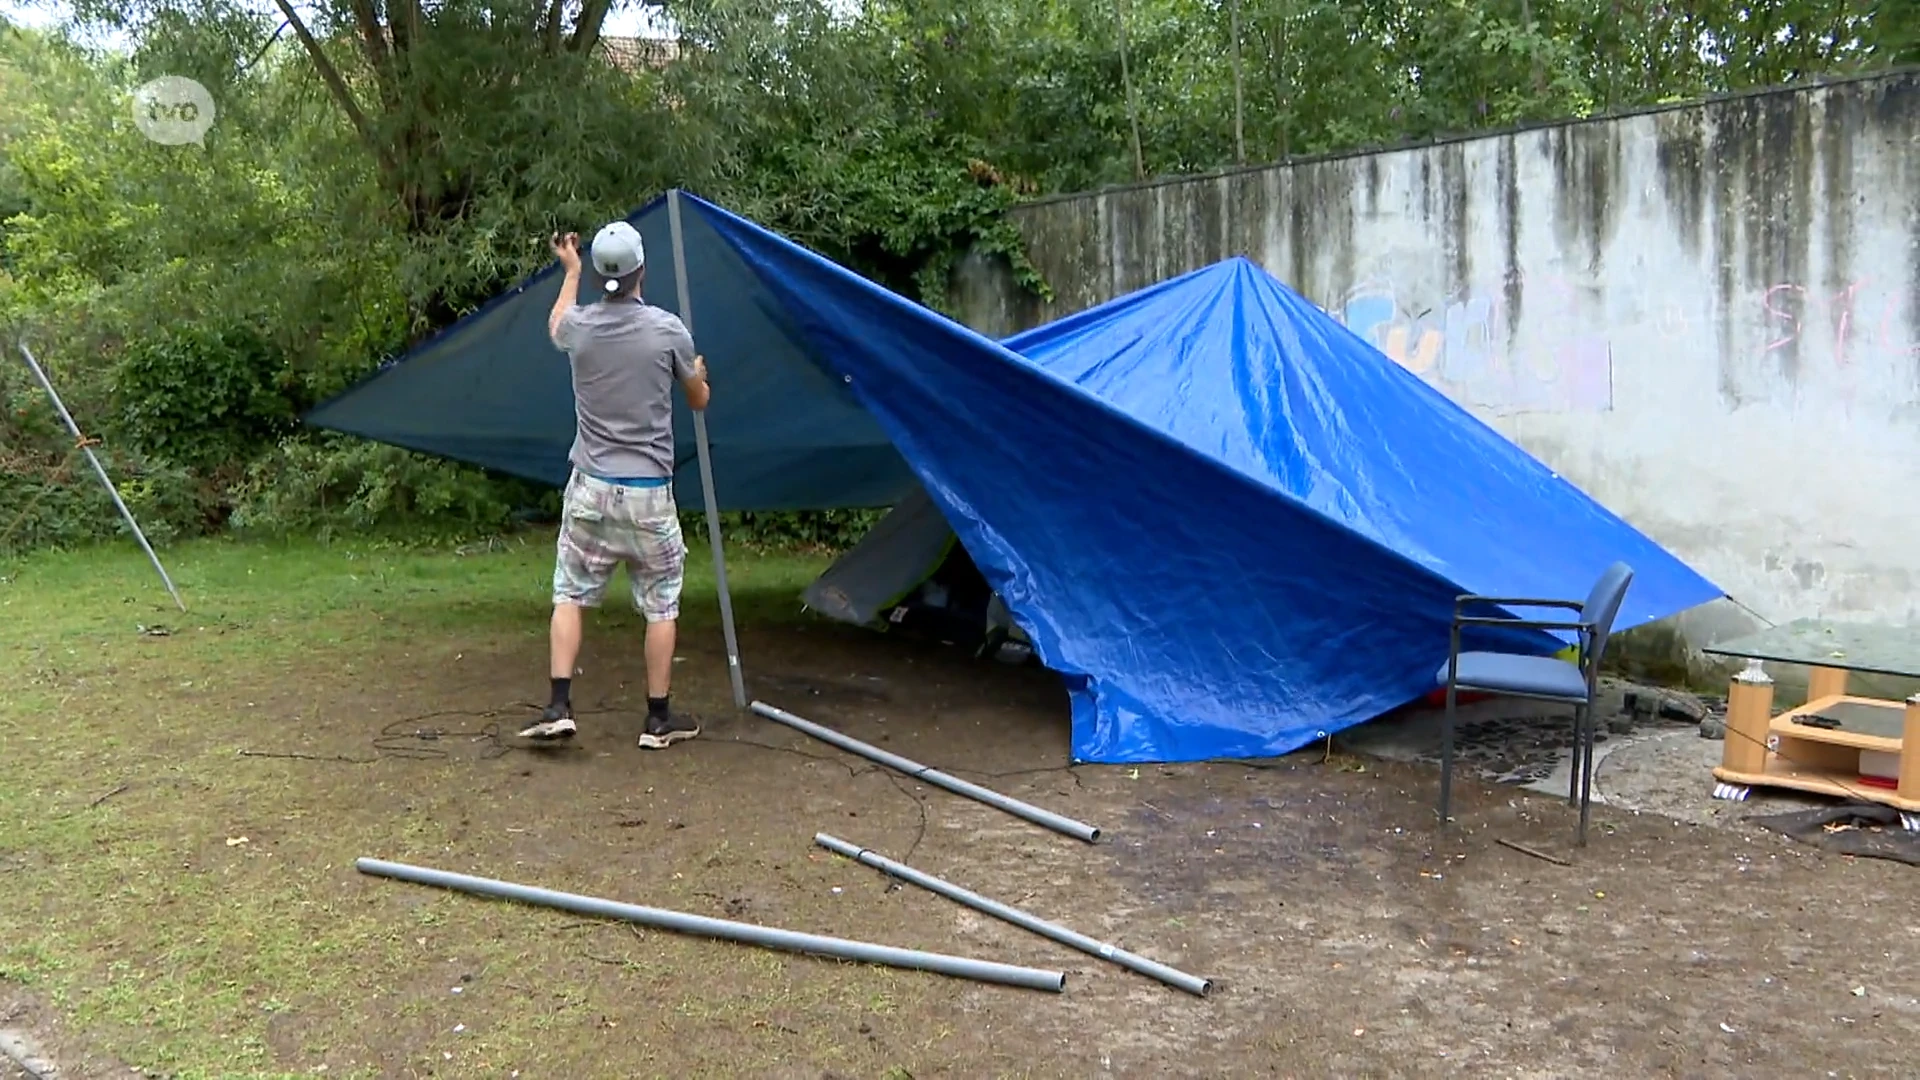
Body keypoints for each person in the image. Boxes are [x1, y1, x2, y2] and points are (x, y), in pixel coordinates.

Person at [517, 220, 711, 750]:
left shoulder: (579, 328)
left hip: (590, 489)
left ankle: (558, 705)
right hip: (648, 492)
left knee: (569, 594)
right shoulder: (668, 330)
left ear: (602, 274)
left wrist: (570, 271)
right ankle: (657, 720)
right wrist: (696, 372)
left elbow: (556, 321)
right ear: (641, 269)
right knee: (661, 604)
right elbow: (697, 399)